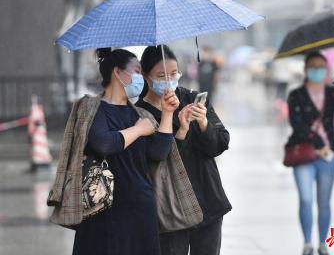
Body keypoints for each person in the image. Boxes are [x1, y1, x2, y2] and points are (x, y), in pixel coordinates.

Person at [47, 48, 180, 255]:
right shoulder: (91, 108)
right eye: (136, 71)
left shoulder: (140, 113)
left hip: (140, 208)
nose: (140, 77)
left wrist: (168, 114)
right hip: (102, 208)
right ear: (118, 73)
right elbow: (104, 144)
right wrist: (138, 130)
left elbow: (159, 153)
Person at [136, 45, 231, 255]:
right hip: (169, 210)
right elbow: (155, 159)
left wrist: (204, 123)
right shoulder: (138, 114)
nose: (169, 80)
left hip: (206, 200)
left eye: (173, 73)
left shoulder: (192, 98)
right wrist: (181, 129)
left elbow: (220, 143)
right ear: (145, 76)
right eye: (161, 75)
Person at [286, 51, 334, 255]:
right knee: (306, 199)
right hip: (304, 153)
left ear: (326, 69)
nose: (317, 70)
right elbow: (296, 124)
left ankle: (323, 243)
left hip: (328, 157)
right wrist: (317, 142)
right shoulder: (296, 95)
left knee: (324, 201)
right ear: (306, 69)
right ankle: (308, 242)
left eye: (321, 66)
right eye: (313, 66)